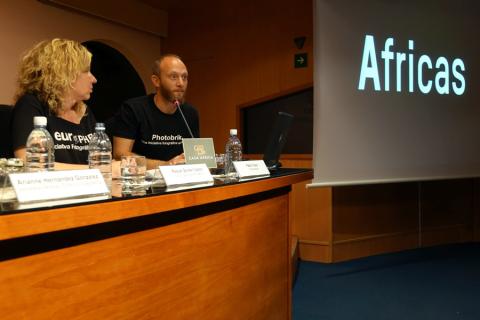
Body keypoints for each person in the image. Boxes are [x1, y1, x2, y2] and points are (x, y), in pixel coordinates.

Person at [11, 38, 119, 175]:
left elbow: (98, 160)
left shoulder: (85, 112)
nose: (94, 79)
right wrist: (95, 171)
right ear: (65, 74)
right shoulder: (31, 104)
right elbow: (28, 162)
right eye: (87, 71)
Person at [112, 54, 199, 169]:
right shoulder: (133, 109)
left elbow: (196, 155)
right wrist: (165, 165)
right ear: (156, 81)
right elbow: (120, 154)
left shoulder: (190, 113)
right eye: (173, 77)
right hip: (142, 180)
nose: (181, 83)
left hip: (180, 179)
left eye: (184, 77)